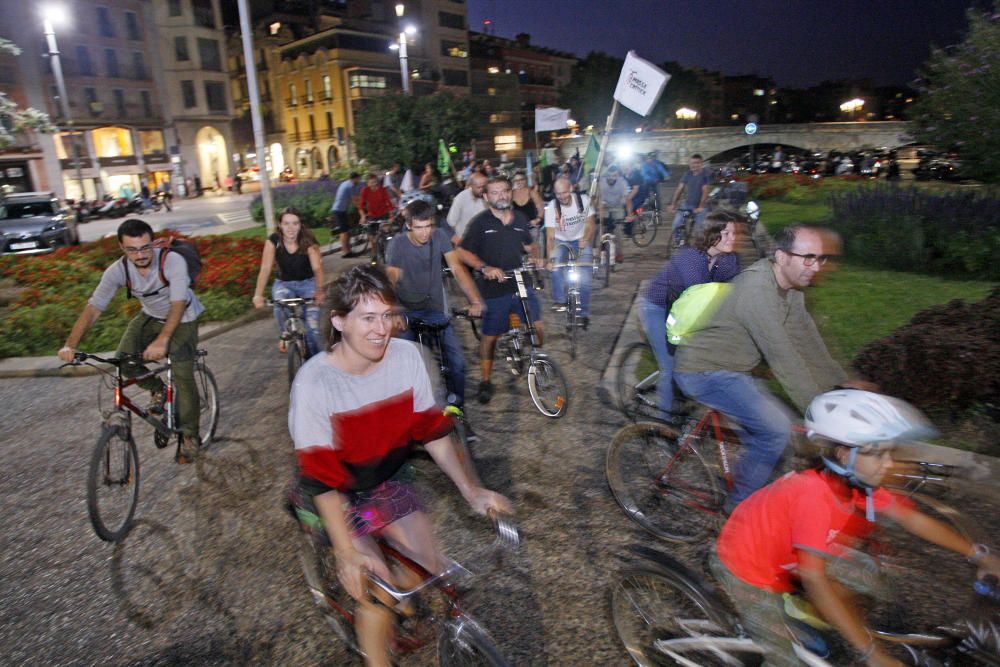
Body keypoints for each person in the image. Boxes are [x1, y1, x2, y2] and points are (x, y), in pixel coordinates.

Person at [289, 265, 511, 667]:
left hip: (386, 477)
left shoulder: (407, 356)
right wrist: (345, 553)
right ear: (339, 322)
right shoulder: (314, 383)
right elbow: (321, 478)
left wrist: (471, 490)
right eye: (367, 318)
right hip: (336, 491)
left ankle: (405, 606)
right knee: (378, 594)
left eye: (387, 316)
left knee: (429, 567)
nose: (381, 329)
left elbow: (433, 432)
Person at [711, 390, 1000, 667]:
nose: (887, 464)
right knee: (786, 661)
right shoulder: (814, 496)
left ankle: (802, 610)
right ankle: (794, 617)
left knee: (870, 578)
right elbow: (815, 577)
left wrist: (978, 554)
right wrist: (871, 653)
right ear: (841, 454)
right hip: (748, 571)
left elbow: (912, 519)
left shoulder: (857, 481)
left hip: (786, 557)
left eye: (889, 452)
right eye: (876, 453)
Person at [674, 224, 871, 511]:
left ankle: (753, 485)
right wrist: (823, 418)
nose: (815, 267)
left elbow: (810, 347)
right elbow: (784, 359)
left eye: (820, 259)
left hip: (735, 370)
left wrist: (843, 389)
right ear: (781, 257)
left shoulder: (791, 292)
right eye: (808, 257)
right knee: (776, 431)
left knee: (773, 435)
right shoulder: (757, 292)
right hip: (704, 372)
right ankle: (736, 514)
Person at [58, 219, 203, 463]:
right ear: (122, 248)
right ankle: (157, 390)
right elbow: (94, 308)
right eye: (132, 249)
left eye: (145, 247)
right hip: (150, 315)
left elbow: (178, 302)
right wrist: (70, 344)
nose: (141, 254)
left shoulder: (171, 261)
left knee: (182, 372)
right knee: (122, 360)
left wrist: (163, 340)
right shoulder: (118, 270)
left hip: (184, 316)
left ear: (152, 242)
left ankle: (190, 435)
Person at [638, 212, 740, 422]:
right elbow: (699, 299)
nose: (733, 238)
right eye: (726, 233)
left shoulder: (728, 260)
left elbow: (733, 292)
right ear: (711, 234)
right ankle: (664, 425)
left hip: (685, 309)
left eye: (734, 233)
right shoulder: (690, 258)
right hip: (658, 307)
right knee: (670, 367)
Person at [386, 200, 483, 417]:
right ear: (409, 225)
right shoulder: (398, 245)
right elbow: (391, 278)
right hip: (406, 309)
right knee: (405, 364)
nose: (425, 232)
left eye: (428, 226)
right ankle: (410, 415)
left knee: (457, 363)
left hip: (435, 307)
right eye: (419, 227)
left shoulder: (439, 237)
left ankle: (457, 409)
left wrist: (475, 299)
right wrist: (393, 311)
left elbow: (457, 268)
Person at [457, 176, 544, 404]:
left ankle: (525, 352)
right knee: (491, 337)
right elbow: (463, 252)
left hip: (521, 282)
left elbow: (529, 244)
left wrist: (537, 257)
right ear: (486, 197)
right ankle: (486, 380)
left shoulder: (520, 218)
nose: (501, 196)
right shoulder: (480, 223)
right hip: (494, 289)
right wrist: (484, 267)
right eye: (495, 193)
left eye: (505, 191)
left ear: (510, 193)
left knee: (538, 329)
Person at [252, 207, 325, 358]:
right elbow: (265, 268)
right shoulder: (274, 241)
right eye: (286, 224)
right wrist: (258, 295)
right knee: (279, 304)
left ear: (300, 225)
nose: (291, 228)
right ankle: (285, 333)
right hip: (284, 284)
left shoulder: (308, 241)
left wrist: (319, 291)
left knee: (313, 331)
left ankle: (317, 365)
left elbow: (317, 268)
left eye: (295, 223)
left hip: (308, 284)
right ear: (280, 225)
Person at [544, 176, 595, 329]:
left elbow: (591, 224)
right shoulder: (552, 207)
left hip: (580, 239)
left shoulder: (583, 200)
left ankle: (584, 313)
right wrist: (551, 259)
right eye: (558, 193)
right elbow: (550, 236)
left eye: (564, 192)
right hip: (561, 241)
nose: (562, 196)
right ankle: (560, 300)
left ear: (571, 189)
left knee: (585, 280)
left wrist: (585, 239)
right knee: (556, 268)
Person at [596, 164, 637, 263]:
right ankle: (597, 252)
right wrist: (597, 210)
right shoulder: (601, 182)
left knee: (617, 230)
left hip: (617, 207)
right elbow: (596, 197)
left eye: (614, 175)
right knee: (599, 228)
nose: (611, 178)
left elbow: (627, 199)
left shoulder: (622, 182)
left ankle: (619, 253)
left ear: (618, 175)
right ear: (607, 175)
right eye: (610, 175)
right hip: (604, 206)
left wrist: (630, 214)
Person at [669, 154, 712, 242]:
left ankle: (700, 249)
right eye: (692, 163)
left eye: (696, 163)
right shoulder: (687, 174)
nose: (693, 165)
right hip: (687, 204)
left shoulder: (705, 175)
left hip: (701, 206)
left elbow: (705, 192)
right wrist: (673, 204)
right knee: (676, 224)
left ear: (701, 164)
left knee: (698, 229)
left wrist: (700, 207)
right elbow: (679, 189)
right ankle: (679, 243)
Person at [445, 172, 487, 245]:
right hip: (465, 242)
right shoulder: (460, 198)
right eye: (479, 187)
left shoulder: (489, 195)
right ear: (471, 186)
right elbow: (451, 222)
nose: (482, 189)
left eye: (484, 186)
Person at [358, 172, 396, 246]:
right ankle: (374, 254)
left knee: (387, 232)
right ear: (367, 183)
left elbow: (389, 204)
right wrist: (362, 216)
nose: (374, 184)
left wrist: (391, 216)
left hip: (383, 214)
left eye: (375, 182)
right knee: (372, 239)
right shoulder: (365, 191)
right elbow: (361, 206)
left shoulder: (383, 190)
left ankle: (389, 248)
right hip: (372, 215)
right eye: (371, 182)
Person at [511, 170, 545, 249]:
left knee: (534, 252)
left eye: (521, 179)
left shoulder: (532, 192)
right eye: (516, 180)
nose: (519, 182)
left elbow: (541, 209)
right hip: (518, 229)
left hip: (532, 228)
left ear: (525, 180)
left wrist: (537, 220)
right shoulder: (511, 194)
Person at [331, 171, 361, 258]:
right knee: (344, 231)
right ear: (355, 178)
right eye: (358, 179)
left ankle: (347, 250)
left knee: (346, 231)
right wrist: (361, 208)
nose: (359, 181)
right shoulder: (350, 186)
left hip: (339, 210)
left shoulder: (345, 183)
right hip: (339, 210)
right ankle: (344, 252)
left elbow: (355, 198)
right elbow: (355, 199)